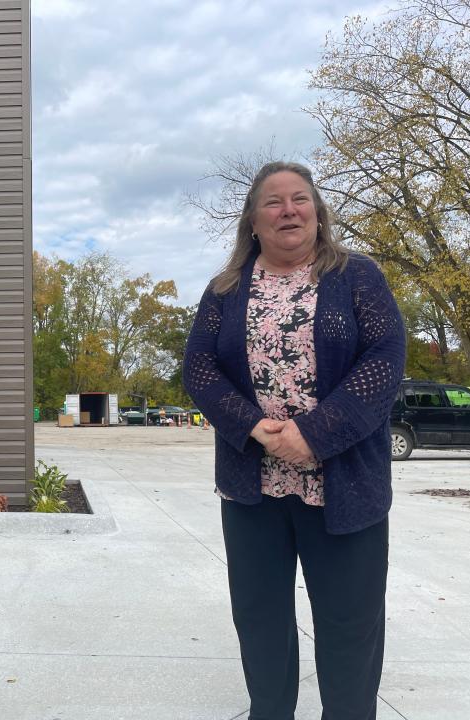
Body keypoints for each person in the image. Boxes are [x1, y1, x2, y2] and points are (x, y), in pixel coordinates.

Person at [183, 161, 406, 720]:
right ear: (253, 221)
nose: (289, 210)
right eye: (274, 202)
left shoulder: (359, 277)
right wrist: (254, 428)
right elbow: (200, 369)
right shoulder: (224, 290)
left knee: (349, 623)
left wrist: (314, 434)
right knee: (259, 618)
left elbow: (384, 361)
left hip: (345, 484)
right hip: (253, 485)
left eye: (300, 199)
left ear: (317, 212)